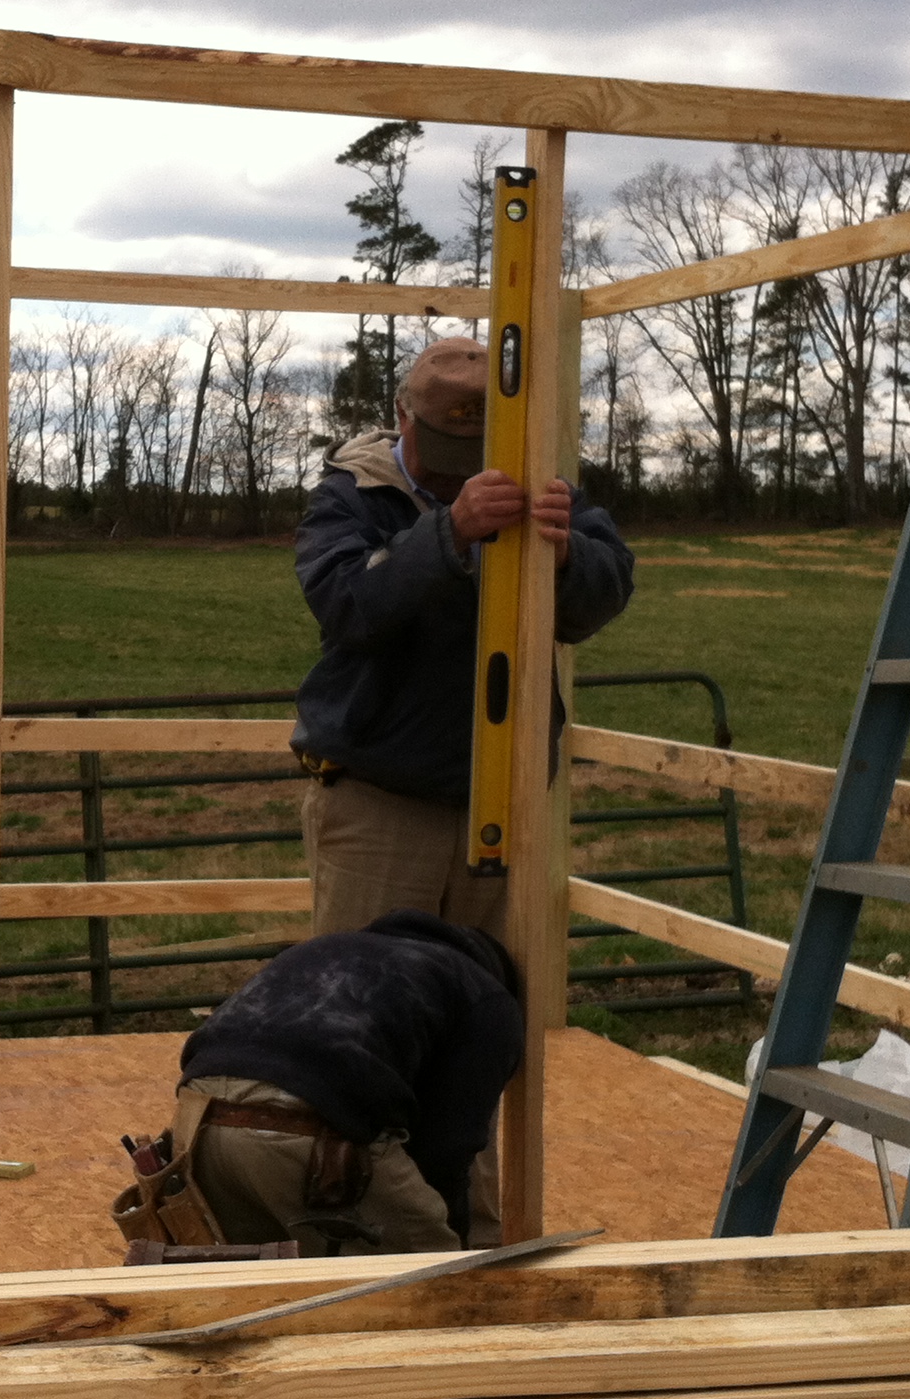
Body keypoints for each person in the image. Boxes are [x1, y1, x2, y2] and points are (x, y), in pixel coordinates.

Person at [291, 335, 636, 939]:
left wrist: (564, 556)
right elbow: (347, 605)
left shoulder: (534, 481)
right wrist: (448, 533)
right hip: (381, 807)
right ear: (403, 416)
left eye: (476, 447)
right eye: (447, 446)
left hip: (508, 801)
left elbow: (607, 591)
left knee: (486, 1007)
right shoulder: (351, 495)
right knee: (369, 1008)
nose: (463, 467)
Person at [177, 909, 524, 1255]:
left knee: (259, 1290)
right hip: (306, 1129)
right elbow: (447, 1148)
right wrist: (453, 1240)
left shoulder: (323, 949)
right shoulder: (487, 998)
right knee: (428, 1286)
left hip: (197, 1120)